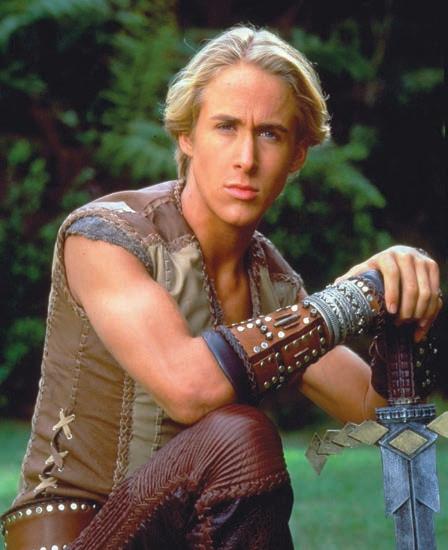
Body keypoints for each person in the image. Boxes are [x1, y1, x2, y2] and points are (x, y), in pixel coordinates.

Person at [1, 25, 441, 550]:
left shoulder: (269, 280)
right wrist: (351, 297)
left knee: (239, 439)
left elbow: (371, 410)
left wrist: (402, 304)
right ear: (187, 136)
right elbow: (189, 389)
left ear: (298, 154)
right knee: (239, 438)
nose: (246, 159)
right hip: (78, 538)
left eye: (270, 134)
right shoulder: (105, 236)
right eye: (226, 127)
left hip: (182, 534)